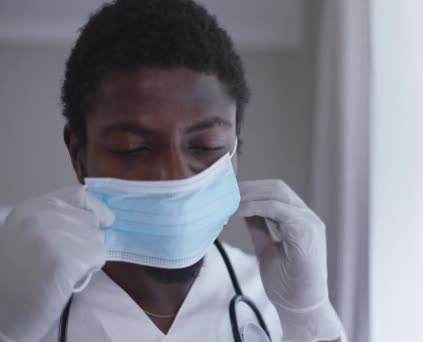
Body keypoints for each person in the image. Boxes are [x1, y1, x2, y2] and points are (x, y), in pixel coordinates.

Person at [0, 0, 345, 341]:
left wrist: (309, 320)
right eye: (132, 148)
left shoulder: (272, 304)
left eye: (206, 146)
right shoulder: (21, 299)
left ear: (235, 151)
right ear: (79, 155)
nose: (175, 175)